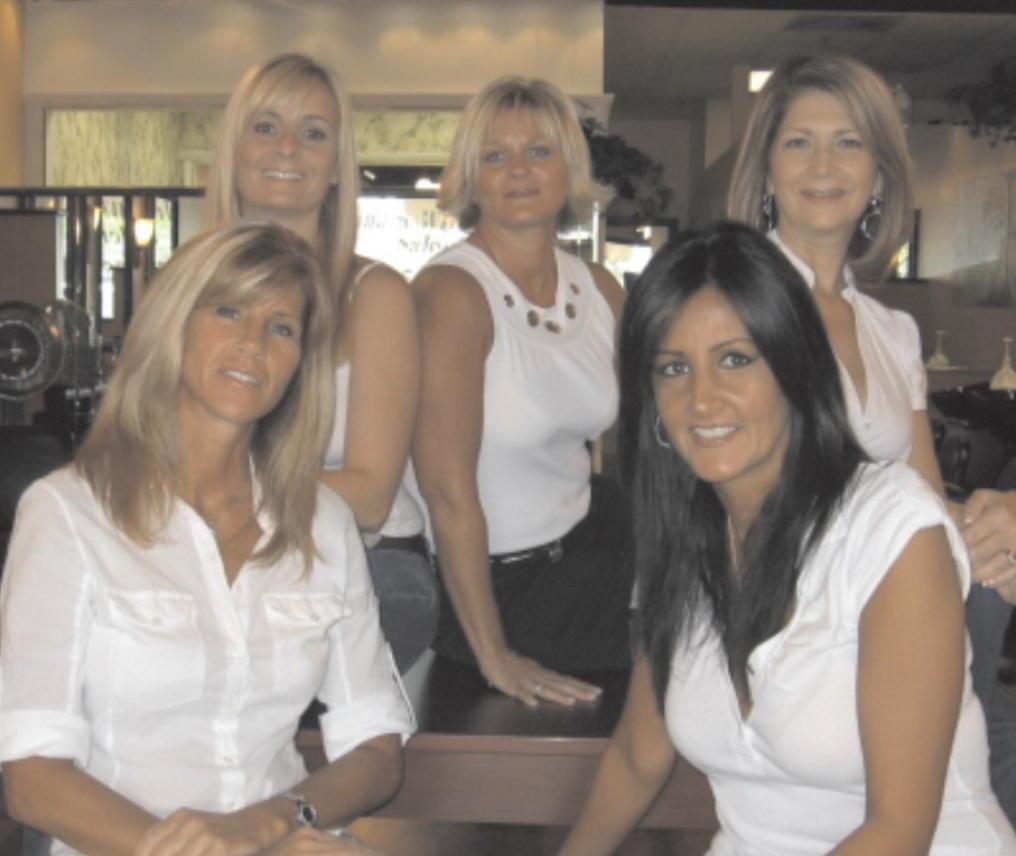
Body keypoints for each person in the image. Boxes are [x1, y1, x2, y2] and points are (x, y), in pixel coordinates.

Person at [560, 221, 1015, 855]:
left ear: (794, 367)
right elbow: (639, 755)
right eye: (673, 368)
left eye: (735, 359)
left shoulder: (892, 531)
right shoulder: (688, 541)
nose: (702, 399)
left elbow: (899, 830)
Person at [0, 223, 414, 856]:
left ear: (299, 366)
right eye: (229, 311)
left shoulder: (325, 522)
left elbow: (378, 749)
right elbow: (32, 780)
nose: (253, 343)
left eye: (281, 328)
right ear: (173, 325)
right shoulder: (66, 514)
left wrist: (276, 820)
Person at [727, 53, 1016, 821]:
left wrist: (995, 530)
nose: (824, 165)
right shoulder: (731, 305)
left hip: (892, 618)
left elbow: (922, 504)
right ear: (766, 171)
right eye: (799, 142)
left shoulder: (891, 331)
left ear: (880, 174)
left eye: (849, 143)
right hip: (782, 621)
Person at [205, 52, 437, 673]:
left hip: (369, 563)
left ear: (336, 166)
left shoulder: (375, 296)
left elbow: (370, 497)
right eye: (266, 127)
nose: (287, 147)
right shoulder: (185, 289)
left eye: (313, 133)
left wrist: (213, 495)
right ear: (234, 149)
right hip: (226, 558)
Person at [412, 76, 632, 707]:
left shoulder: (601, 288)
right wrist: (494, 653)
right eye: (495, 155)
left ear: (569, 166)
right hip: (492, 590)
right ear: (471, 176)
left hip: (595, 555)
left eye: (539, 151)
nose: (518, 170)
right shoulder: (450, 293)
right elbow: (445, 491)